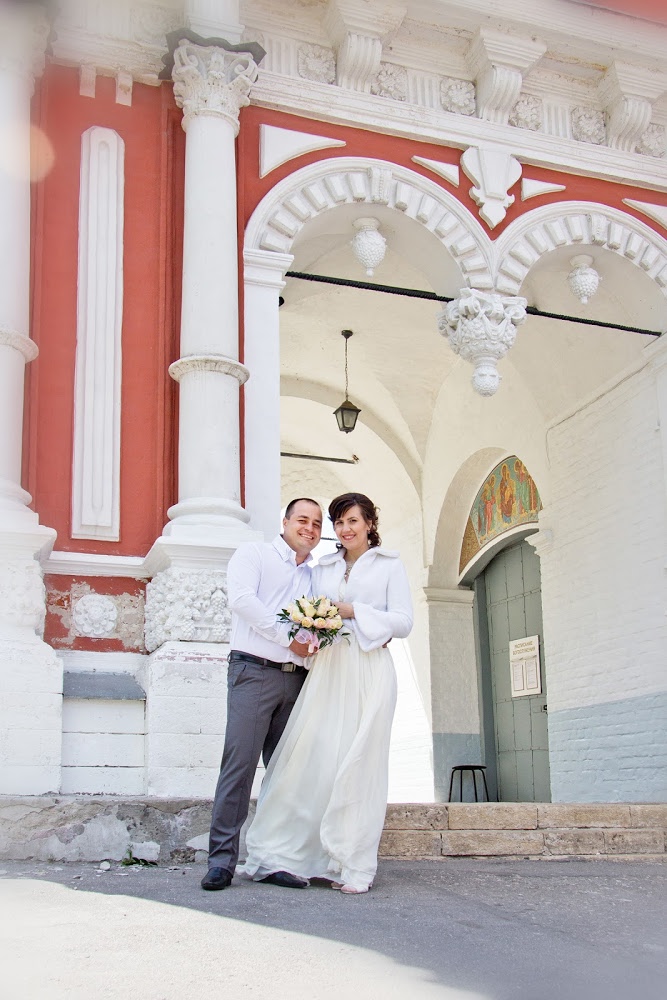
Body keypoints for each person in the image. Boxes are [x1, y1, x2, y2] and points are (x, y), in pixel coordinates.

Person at [240, 492, 413, 894]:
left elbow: (403, 622)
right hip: (330, 669)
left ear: (370, 522)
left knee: (360, 763)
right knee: (313, 759)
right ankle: (290, 855)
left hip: (370, 670)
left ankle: (352, 864)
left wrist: (356, 613)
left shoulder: (390, 564)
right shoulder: (324, 566)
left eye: (352, 520)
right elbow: (308, 611)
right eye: (338, 522)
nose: (345, 529)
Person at [200, 498, 323, 891]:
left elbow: (323, 624)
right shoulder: (253, 554)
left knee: (287, 774)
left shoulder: (315, 578)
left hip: (297, 681)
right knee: (239, 767)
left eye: (317, 523)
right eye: (302, 519)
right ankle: (221, 861)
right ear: (285, 521)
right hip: (253, 673)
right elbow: (242, 601)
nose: (310, 527)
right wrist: (292, 638)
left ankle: (273, 860)